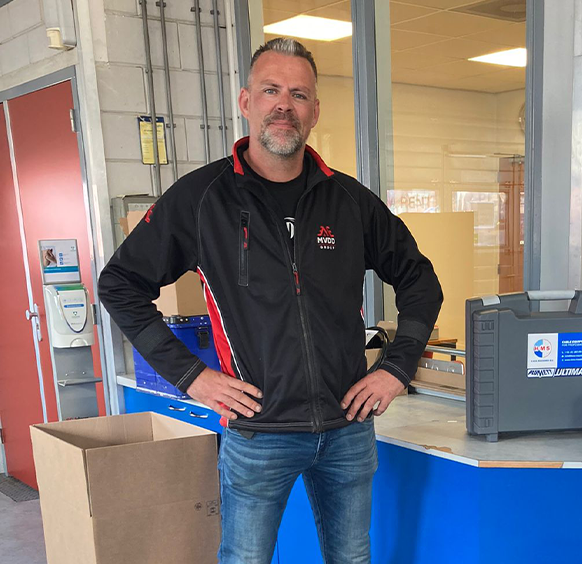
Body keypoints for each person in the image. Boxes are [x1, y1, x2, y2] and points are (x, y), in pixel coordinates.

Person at [98, 37, 443, 564]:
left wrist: (397, 368)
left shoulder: (349, 201)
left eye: (299, 94)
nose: (285, 105)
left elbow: (420, 279)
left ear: (314, 111)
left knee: (352, 558)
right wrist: (192, 377)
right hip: (259, 432)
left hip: (348, 429)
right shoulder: (202, 198)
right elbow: (119, 284)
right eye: (271, 90)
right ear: (246, 102)